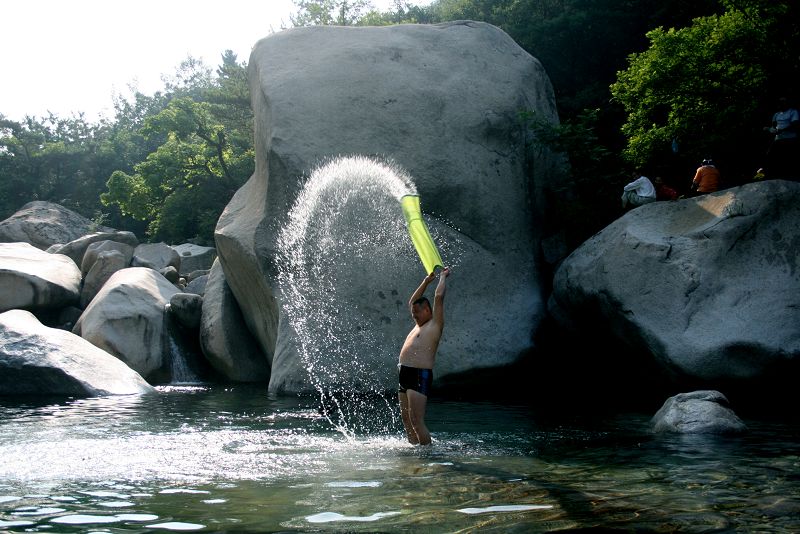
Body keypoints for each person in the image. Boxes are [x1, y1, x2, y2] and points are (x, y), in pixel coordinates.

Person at [398, 267, 450, 445]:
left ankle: (427, 455)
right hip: (404, 372)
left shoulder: (435, 325)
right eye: (413, 314)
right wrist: (426, 281)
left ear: (428, 310)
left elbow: (438, 298)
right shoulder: (418, 324)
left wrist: (442, 277)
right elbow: (413, 301)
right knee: (406, 420)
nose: (415, 317)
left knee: (416, 420)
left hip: (420, 374)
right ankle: (414, 451)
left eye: (417, 313)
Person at [763, 96, 799, 179]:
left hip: (790, 139)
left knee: (789, 158)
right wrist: (769, 129)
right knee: (769, 155)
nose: (781, 104)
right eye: (780, 103)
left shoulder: (793, 112)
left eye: (783, 102)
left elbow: (795, 125)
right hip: (778, 138)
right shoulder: (776, 114)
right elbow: (774, 127)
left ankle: (791, 176)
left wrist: (782, 130)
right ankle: (767, 175)